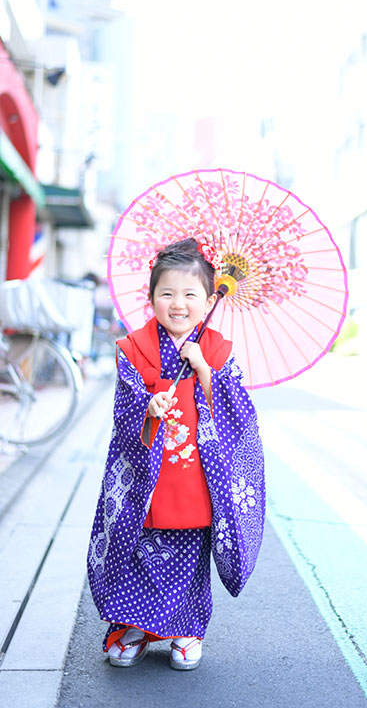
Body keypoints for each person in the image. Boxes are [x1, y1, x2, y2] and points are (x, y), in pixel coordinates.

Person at [87, 238, 265, 670]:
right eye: (166, 293)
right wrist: (149, 406)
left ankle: (186, 630)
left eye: (190, 294)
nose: (178, 304)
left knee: (188, 550)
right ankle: (133, 627)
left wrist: (205, 369)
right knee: (138, 548)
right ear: (151, 298)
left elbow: (240, 414)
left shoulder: (219, 350)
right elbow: (124, 409)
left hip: (196, 474)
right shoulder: (133, 348)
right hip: (148, 473)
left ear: (208, 301)